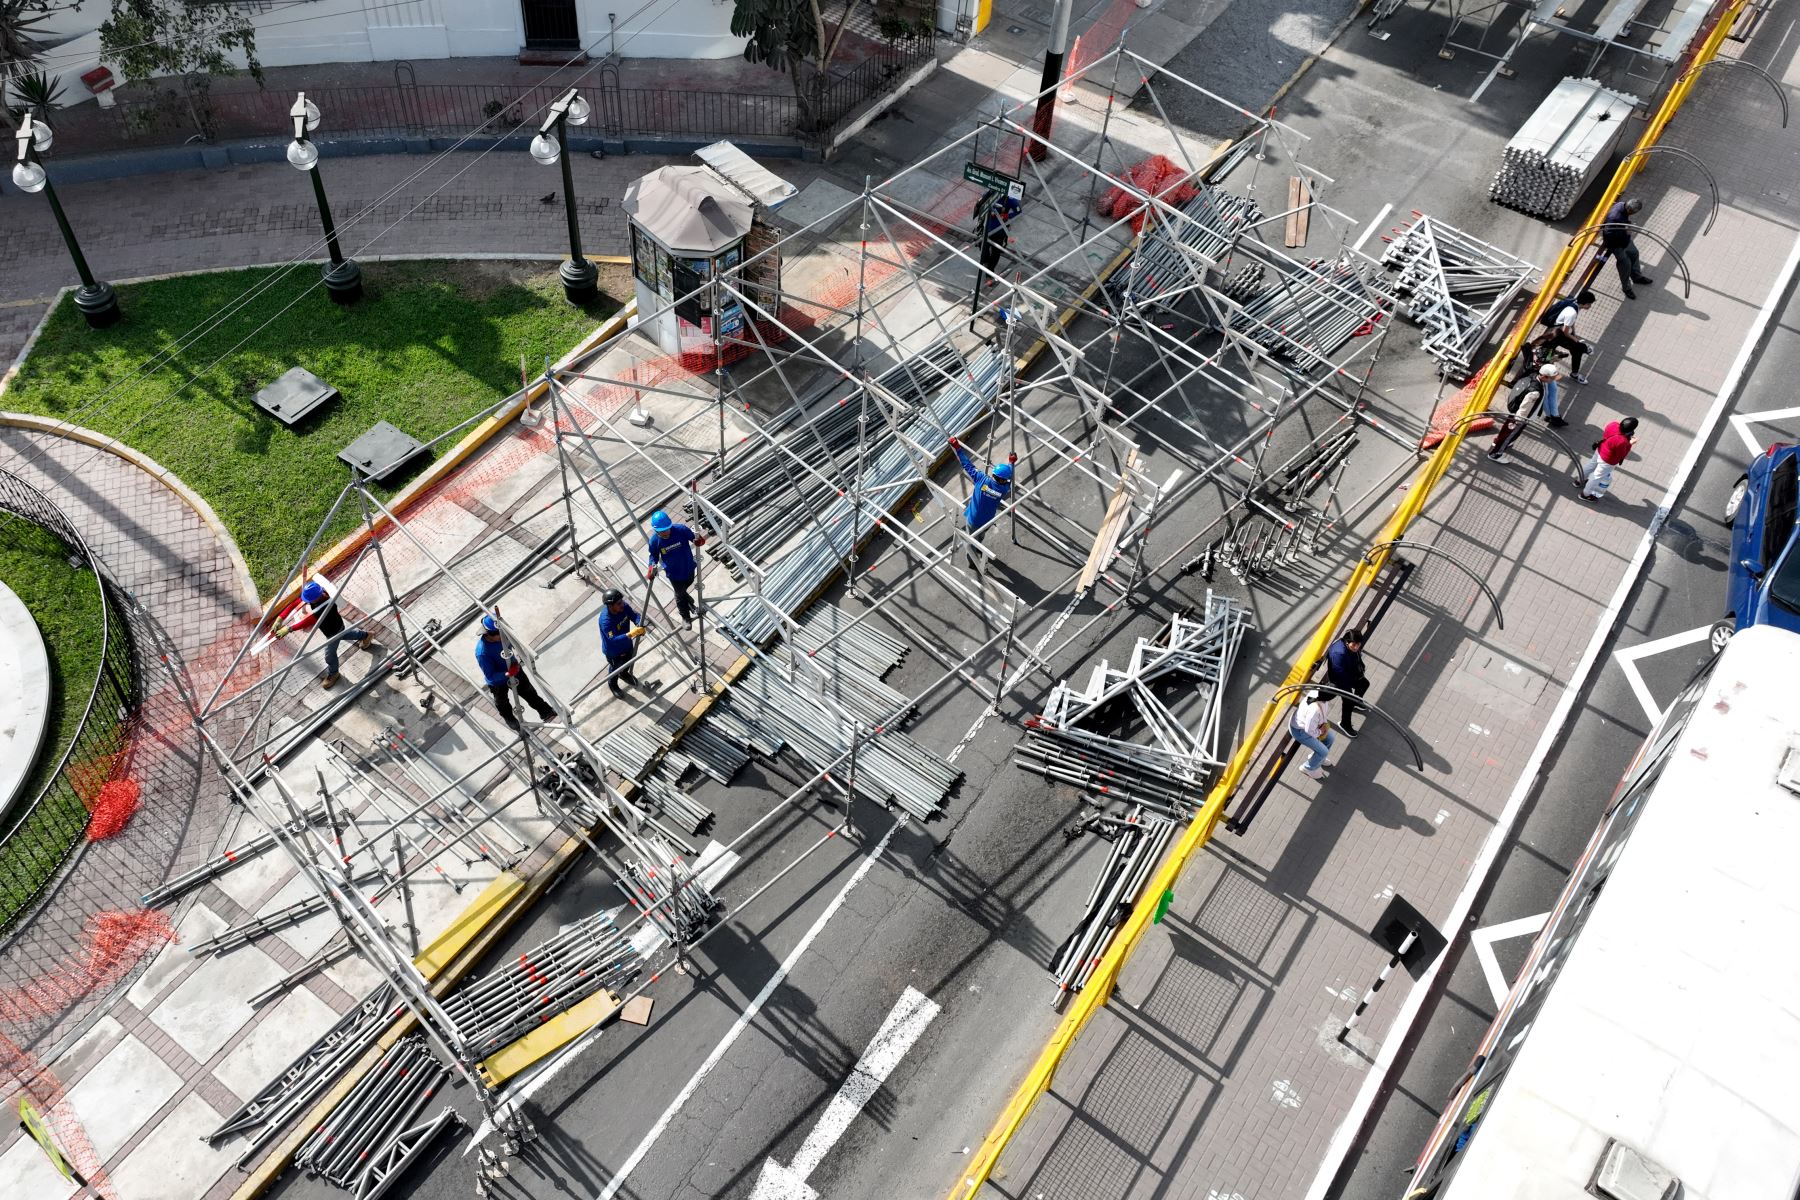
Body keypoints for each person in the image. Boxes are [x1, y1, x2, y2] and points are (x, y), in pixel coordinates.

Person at [277, 580, 371, 689]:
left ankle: (334, 673)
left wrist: (289, 628)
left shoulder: (325, 606)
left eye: (309, 600)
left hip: (333, 631)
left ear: (316, 598)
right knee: (345, 635)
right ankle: (366, 635)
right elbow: (295, 604)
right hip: (335, 627)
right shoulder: (317, 594)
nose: (307, 602)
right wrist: (280, 618)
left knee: (329, 655)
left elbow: (308, 621)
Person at [474, 615, 556, 731]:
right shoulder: (483, 652)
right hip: (499, 682)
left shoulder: (503, 635)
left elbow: (513, 644)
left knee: (529, 693)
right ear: (489, 635)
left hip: (515, 669)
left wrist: (520, 656)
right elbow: (491, 676)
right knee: (502, 704)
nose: (504, 637)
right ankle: (514, 723)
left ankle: (546, 712)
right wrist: (507, 674)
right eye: (500, 635)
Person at [948, 435, 1015, 568]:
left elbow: (966, 464)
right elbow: (1010, 477)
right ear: (1003, 480)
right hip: (988, 520)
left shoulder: (981, 479)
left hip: (973, 520)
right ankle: (977, 549)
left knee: (970, 541)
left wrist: (957, 447)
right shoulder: (1004, 489)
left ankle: (972, 561)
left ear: (994, 475)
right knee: (980, 536)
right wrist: (1011, 463)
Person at [1489, 362, 1567, 464]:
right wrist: (1518, 421)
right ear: (1544, 376)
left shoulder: (1534, 377)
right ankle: (1495, 454)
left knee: (1506, 432)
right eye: (1551, 378)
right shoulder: (1535, 392)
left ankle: (1500, 442)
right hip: (1520, 418)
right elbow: (1524, 409)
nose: (1552, 380)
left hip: (1518, 415)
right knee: (1508, 435)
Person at [646, 509, 706, 626]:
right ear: (656, 530)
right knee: (679, 595)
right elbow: (653, 556)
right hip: (674, 574)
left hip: (688, 568)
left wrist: (699, 540)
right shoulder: (655, 541)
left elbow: (694, 538)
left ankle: (686, 598)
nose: (665, 533)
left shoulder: (681, 530)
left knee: (685, 589)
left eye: (667, 529)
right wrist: (651, 567)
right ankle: (685, 618)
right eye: (662, 531)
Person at [1532, 290, 1596, 383]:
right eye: (1590, 304)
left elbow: (1570, 323)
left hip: (1557, 333)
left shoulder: (1574, 303)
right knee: (1576, 349)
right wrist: (1575, 339)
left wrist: (1574, 332)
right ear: (1585, 304)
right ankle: (1584, 352)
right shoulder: (1572, 313)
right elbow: (1565, 332)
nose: (1590, 306)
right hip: (1557, 336)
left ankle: (1584, 351)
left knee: (1576, 350)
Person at [1600, 197, 1654, 299]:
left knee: (1634, 253)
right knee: (1625, 263)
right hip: (1615, 244)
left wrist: (1627, 226)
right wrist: (1627, 232)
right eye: (1632, 212)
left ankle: (1636, 277)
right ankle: (1626, 288)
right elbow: (1608, 233)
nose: (1631, 213)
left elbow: (1622, 224)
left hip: (1624, 240)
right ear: (1629, 208)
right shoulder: (1615, 217)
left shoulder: (1622, 206)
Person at [598, 588, 646, 697]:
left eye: (622, 601)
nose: (622, 604)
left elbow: (634, 615)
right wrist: (632, 634)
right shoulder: (605, 621)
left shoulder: (624, 607)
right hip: (614, 651)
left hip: (627, 645)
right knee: (615, 668)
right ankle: (613, 685)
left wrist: (639, 623)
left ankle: (624, 674)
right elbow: (612, 639)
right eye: (619, 603)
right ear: (611, 606)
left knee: (628, 661)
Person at [1581, 416, 1638, 502]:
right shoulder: (1622, 441)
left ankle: (1579, 481)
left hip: (1600, 449)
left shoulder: (1613, 424)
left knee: (1590, 465)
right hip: (1607, 460)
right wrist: (1630, 444)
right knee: (1596, 477)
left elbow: (1606, 433)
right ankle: (1585, 494)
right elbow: (1621, 455)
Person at [1325, 629, 1370, 736]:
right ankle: (1345, 724)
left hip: (1349, 674)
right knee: (1348, 701)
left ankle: (1355, 702)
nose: (1356, 647)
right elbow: (1340, 675)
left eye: (1358, 645)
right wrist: (1348, 691)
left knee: (1364, 684)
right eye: (1353, 645)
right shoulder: (1338, 653)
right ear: (1347, 642)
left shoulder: (1349, 646)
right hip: (1339, 680)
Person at [1289, 689, 1335, 780]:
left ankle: (1317, 758)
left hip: (1310, 726)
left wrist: (1323, 726)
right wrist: (1321, 731)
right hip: (1300, 731)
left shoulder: (1317, 695)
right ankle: (1308, 768)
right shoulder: (1314, 711)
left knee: (1330, 738)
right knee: (1324, 751)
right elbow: (1309, 731)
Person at [978, 194, 1020, 286]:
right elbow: (981, 202)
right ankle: (986, 262)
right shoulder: (992, 194)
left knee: (995, 253)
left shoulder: (1009, 199)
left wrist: (1006, 216)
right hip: (987, 229)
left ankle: (989, 273)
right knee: (983, 249)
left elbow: (1018, 211)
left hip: (1000, 231)